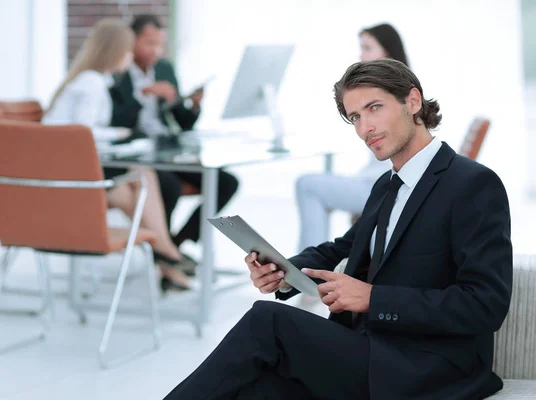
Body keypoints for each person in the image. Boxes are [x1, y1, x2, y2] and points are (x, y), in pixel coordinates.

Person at [164, 59, 513, 399]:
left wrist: (373, 298)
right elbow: (340, 249)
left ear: (413, 101)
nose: (364, 129)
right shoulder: (387, 185)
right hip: (371, 351)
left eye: (374, 108)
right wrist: (284, 271)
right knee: (256, 390)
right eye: (355, 118)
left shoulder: (473, 184)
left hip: (429, 365)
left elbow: (486, 304)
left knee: (267, 322)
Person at [43, 18, 192, 290]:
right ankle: (165, 251)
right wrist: (120, 134)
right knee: (143, 176)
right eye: (127, 52)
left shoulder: (94, 81)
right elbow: (82, 132)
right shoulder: (92, 83)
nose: (130, 57)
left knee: (128, 187)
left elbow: (86, 130)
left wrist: (118, 134)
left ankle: (163, 251)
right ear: (113, 52)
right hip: (61, 172)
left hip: (69, 166)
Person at [109, 14, 239, 255]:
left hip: (166, 147)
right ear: (132, 41)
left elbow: (184, 122)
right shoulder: (118, 72)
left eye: (159, 45)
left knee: (226, 182)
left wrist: (192, 105)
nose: (155, 51)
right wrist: (144, 95)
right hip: (136, 153)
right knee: (168, 185)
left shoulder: (164, 68)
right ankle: (167, 256)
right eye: (149, 43)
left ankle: (176, 245)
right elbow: (115, 122)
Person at [296, 23, 408, 252]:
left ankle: (306, 272)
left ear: (386, 52)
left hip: (386, 187)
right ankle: (313, 266)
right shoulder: (392, 89)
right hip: (379, 181)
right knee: (315, 185)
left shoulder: (391, 94)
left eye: (367, 48)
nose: (361, 55)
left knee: (308, 185)